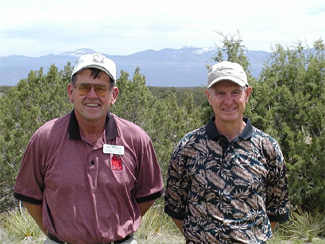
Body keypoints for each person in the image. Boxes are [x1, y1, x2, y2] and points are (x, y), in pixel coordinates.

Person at [14, 52, 164, 244]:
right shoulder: (45, 138)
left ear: (113, 95)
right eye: (84, 87)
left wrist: (117, 228)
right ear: (71, 92)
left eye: (101, 89)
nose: (92, 96)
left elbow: (147, 196)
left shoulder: (136, 139)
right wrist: (59, 234)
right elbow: (30, 195)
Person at [164, 61, 290, 243]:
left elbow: (276, 208)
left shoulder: (267, 147)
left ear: (247, 94)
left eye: (235, 92)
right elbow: (175, 207)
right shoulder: (189, 147)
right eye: (221, 93)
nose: (228, 101)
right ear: (209, 96)